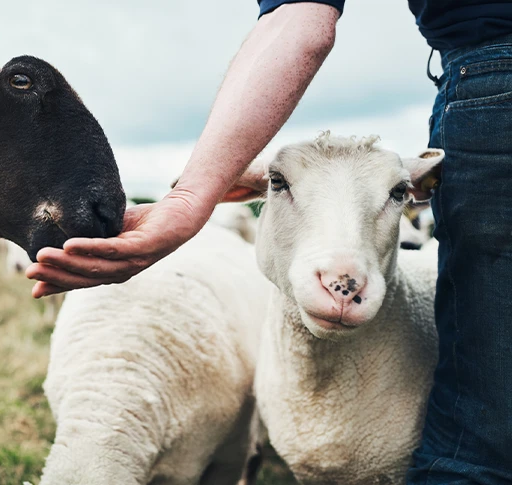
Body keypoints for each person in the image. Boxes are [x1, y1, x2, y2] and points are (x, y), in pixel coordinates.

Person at [27, 1, 512, 483]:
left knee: (476, 450)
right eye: (280, 185)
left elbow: (301, 20)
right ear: (251, 193)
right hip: (478, 85)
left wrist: (194, 194)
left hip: (483, 76)